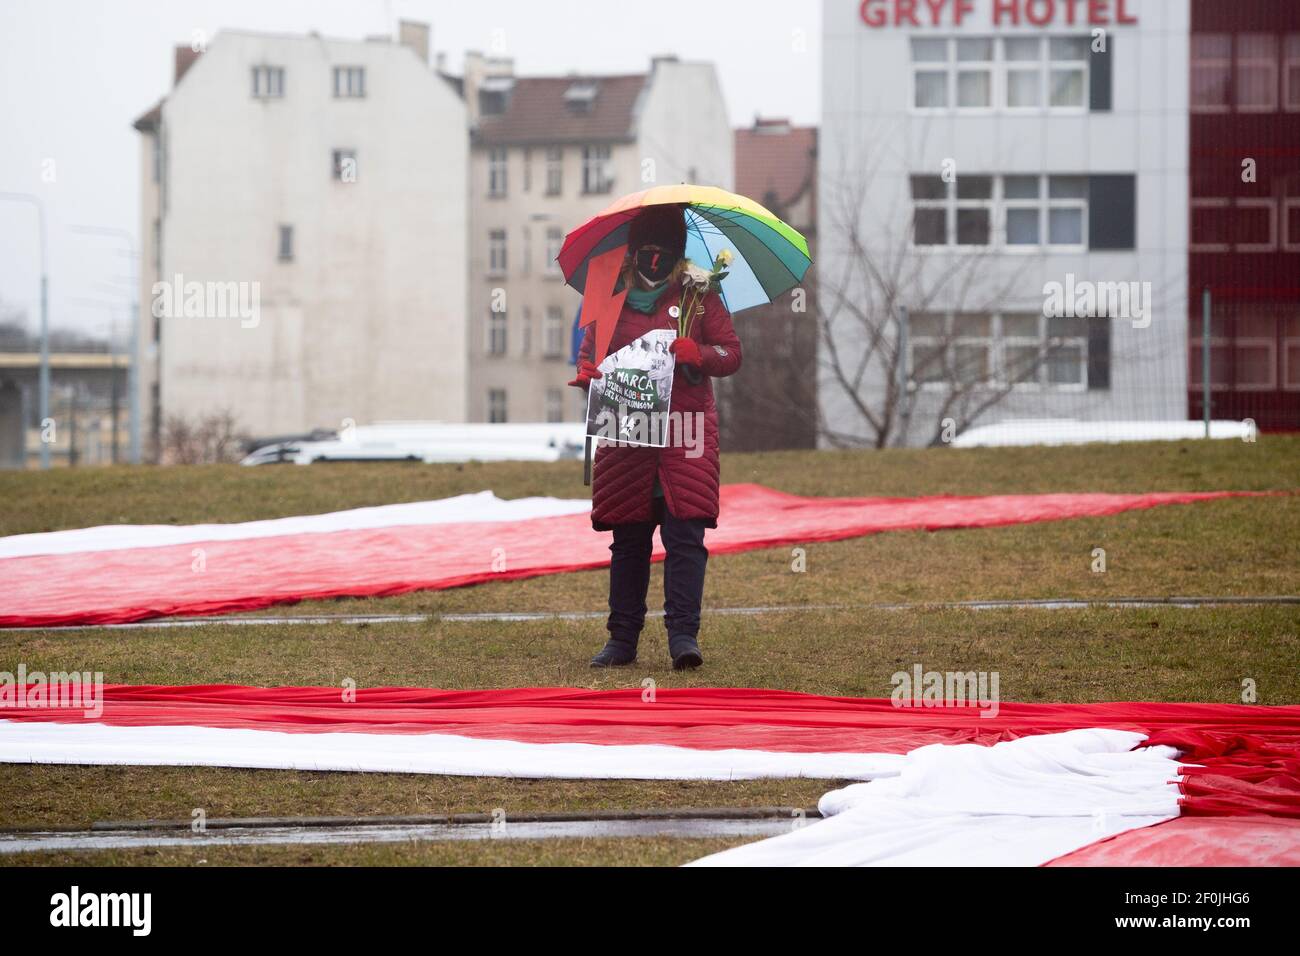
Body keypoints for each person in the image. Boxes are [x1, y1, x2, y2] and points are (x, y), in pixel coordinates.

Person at [568, 205, 742, 670]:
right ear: (633, 252)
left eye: (664, 253)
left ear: (677, 256)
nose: (654, 261)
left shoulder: (699, 296)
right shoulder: (608, 295)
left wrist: (699, 353)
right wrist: (587, 374)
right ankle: (621, 639)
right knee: (629, 538)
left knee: (685, 535)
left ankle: (683, 636)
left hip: (685, 433)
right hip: (626, 433)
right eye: (646, 252)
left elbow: (731, 353)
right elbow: (589, 356)